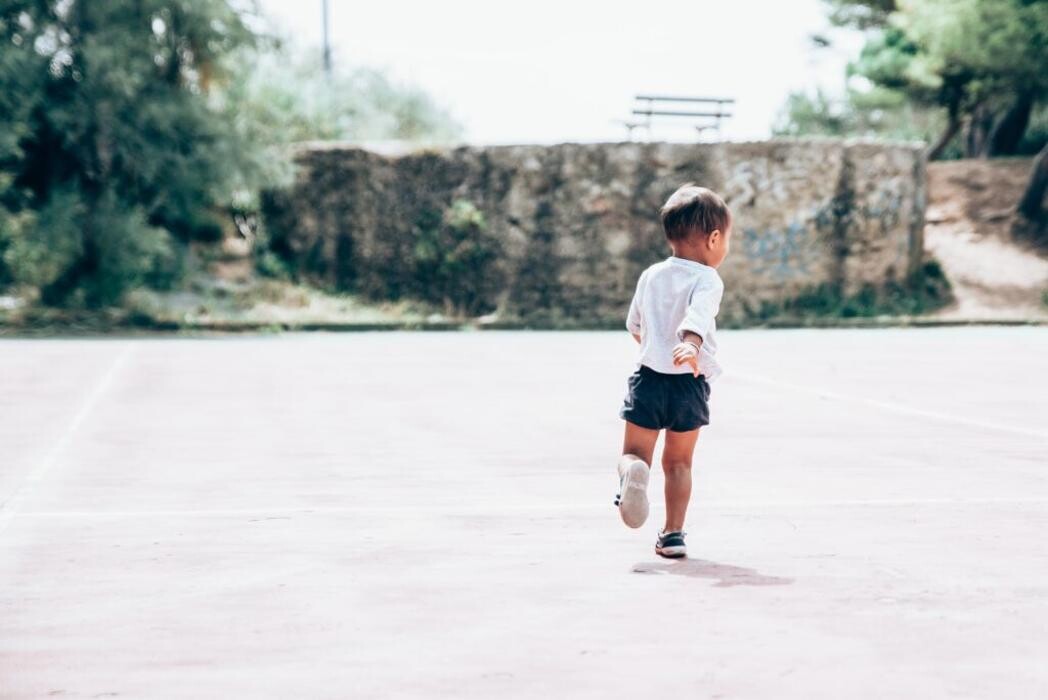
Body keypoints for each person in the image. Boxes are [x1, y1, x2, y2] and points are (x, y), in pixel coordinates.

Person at [614, 184, 731, 558]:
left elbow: (635, 325)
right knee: (679, 463)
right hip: (688, 385)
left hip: (649, 379)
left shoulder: (651, 275)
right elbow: (699, 315)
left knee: (634, 453)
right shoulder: (708, 278)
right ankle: (673, 534)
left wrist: (658, 349)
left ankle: (633, 473)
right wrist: (691, 345)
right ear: (714, 238)